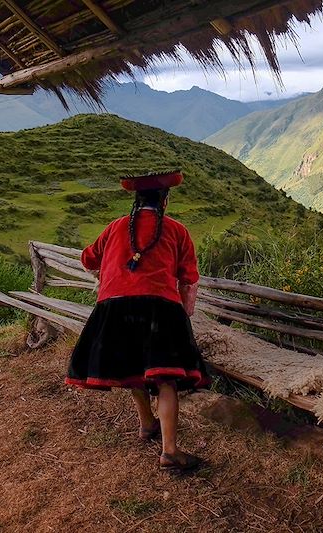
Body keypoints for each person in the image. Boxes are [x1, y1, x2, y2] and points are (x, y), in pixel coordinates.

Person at [65, 170, 209, 473]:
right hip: (160, 309)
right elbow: (189, 277)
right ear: (165, 201)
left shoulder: (115, 228)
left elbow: (88, 259)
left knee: (133, 368)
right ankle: (169, 451)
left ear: (136, 201)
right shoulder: (178, 231)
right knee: (165, 378)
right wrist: (185, 314)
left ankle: (147, 425)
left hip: (114, 308)